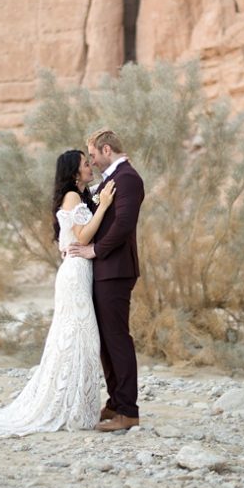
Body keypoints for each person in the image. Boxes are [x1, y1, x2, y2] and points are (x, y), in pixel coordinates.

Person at [0, 150, 116, 437]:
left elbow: (82, 218)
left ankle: (77, 405)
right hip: (75, 274)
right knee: (77, 338)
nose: (90, 167)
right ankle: (68, 406)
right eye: (86, 163)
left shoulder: (81, 195)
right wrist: (104, 206)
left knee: (78, 339)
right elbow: (83, 236)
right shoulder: (72, 196)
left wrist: (101, 197)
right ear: (74, 172)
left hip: (80, 272)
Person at [66, 129, 145, 431]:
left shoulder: (128, 179)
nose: (93, 161)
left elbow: (124, 224)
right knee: (106, 341)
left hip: (116, 269)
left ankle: (129, 411)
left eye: (94, 155)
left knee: (117, 339)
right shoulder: (112, 179)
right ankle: (115, 403)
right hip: (104, 270)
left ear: (107, 149)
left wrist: (95, 250)